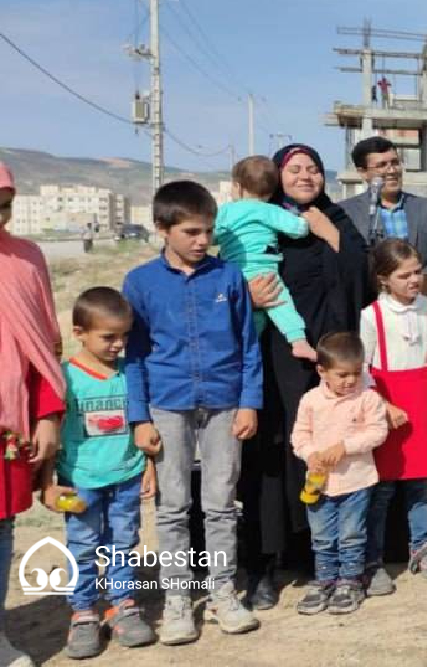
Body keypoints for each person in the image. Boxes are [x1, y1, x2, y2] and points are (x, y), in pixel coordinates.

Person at [123, 180, 263, 645]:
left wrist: (249, 401)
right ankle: (178, 600)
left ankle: (224, 592)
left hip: (225, 404)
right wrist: (139, 417)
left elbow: (248, 346)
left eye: (208, 231)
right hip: (167, 404)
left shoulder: (228, 278)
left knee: (222, 505)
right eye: (191, 232)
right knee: (172, 507)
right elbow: (135, 355)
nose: (202, 241)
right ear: (162, 228)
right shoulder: (140, 283)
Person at [239, 143, 373, 611]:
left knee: (335, 447)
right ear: (277, 176)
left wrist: (330, 236)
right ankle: (267, 563)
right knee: (277, 450)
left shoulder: (334, 217)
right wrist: (248, 297)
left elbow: (365, 279)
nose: (306, 175)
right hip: (278, 356)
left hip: (332, 356)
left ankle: (336, 560)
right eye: (295, 169)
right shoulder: (260, 217)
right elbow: (235, 266)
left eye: (314, 168)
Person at [38, 288, 157, 659]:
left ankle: (122, 606)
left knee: (122, 545)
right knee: (83, 548)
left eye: (123, 335)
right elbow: (50, 434)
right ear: (79, 333)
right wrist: (47, 484)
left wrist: (148, 466)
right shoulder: (65, 378)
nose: (117, 344)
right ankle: (84, 612)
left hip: (126, 477)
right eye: (108, 336)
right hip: (79, 480)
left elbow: (144, 425)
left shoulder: (132, 375)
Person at [362, 239, 427, 596]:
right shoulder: (371, 317)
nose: (414, 280)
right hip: (388, 408)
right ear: (384, 279)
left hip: (424, 403)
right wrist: (383, 406)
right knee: (383, 490)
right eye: (404, 275)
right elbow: (362, 371)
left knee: (420, 485)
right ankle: (371, 562)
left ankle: (422, 548)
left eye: (418, 271)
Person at [0, 161, 66, 667]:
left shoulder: (26, 257)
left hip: (9, 424)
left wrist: (47, 416)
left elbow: (44, 345)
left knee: (2, 530)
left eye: (3, 207)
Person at [291, 332, 388, 616]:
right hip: (319, 484)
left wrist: (345, 447)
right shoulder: (310, 400)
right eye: (342, 375)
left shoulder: (367, 399)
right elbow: (299, 434)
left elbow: (377, 432)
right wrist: (311, 454)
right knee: (321, 536)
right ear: (322, 371)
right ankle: (325, 580)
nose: (350, 381)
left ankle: (350, 580)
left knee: (351, 534)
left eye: (356, 374)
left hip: (356, 481)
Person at [216, 156, 343, 362]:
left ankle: (241, 348)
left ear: (237, 187)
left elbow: (211, 235)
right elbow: (298, 230)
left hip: (234, 272)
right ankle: (299, 342)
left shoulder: (226, 211)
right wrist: (306, 221)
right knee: (281, 305)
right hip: (266, 271)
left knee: (249, 315)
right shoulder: (271, 211)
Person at [339, 136, 427, 272]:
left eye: (395, 162)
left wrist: (412, 280)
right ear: (363, 172)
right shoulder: (345, 212)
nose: (392, 170)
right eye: (382, 165)